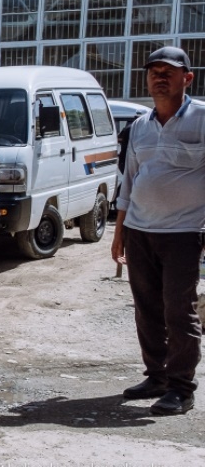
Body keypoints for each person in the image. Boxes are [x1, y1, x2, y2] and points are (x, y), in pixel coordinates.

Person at [111, 45, 203, 416]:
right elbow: (128, 182)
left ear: (187, 77)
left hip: (184, 232)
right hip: (139, 230)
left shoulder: (201, 119)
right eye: (154, 71)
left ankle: (181, 388)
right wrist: (118, 232)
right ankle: (157, 376)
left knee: (179, 311)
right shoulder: (139, 127)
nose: (160, 77)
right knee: (146, 308)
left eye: (168, 71)